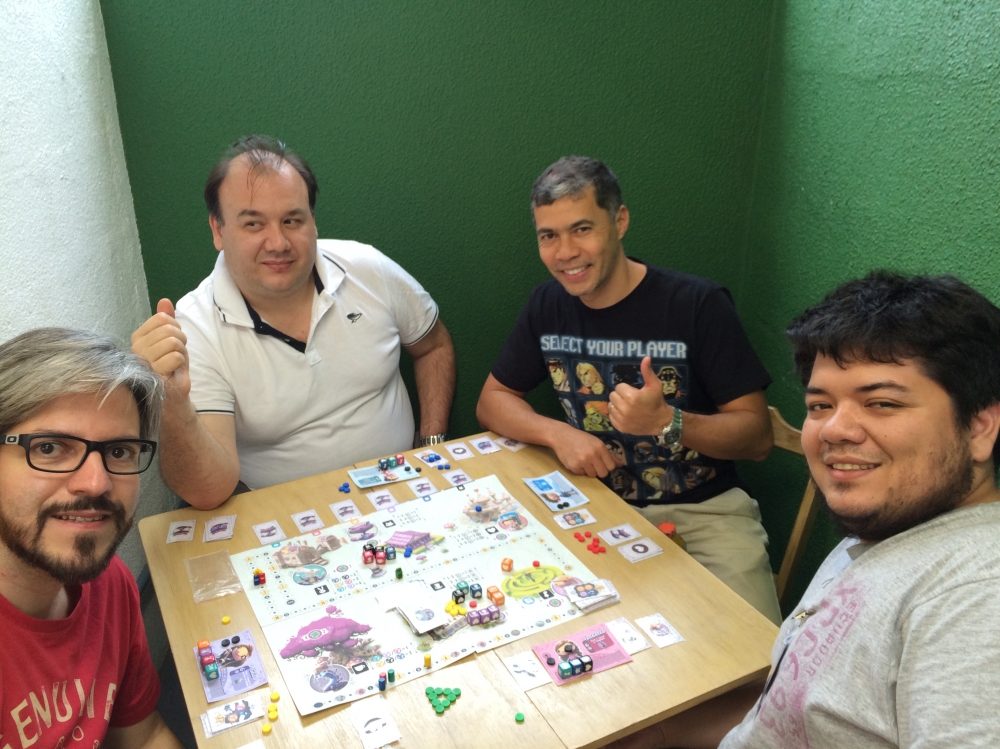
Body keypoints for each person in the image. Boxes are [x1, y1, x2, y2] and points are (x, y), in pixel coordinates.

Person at [613, 271, 1000, 749]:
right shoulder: (890, 526)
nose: (834, 429)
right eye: (820, 406)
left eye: (881, 403)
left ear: (979, 427)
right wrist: (657, 732)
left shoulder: (976, 600)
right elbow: (792, 707)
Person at [477, 156, 779, 622]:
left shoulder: (698, 304)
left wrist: (667, 422)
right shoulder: (547, 304)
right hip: (592, 506)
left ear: (619, 222)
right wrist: (559, 434)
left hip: (705, 511)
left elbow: (757, 438)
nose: (565, 252)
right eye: (548, 236)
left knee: (755, 650)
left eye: (582, 229)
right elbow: (492, 401)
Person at [132, 135, 456, 509]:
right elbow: (208, 491)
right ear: (218, 231)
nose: (278, 243)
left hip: (403, 489)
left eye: (292, 220)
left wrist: (431, 446)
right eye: (253, 224)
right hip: (283, 516)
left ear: (312, 222)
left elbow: (434, 346)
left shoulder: (368, 268)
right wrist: (172, 402)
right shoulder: (196, 328)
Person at [0, 328, 181, 748]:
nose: (96, 483)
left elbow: (144, 736)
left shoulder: (108, 584)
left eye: (119, 452)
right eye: (49, 448)